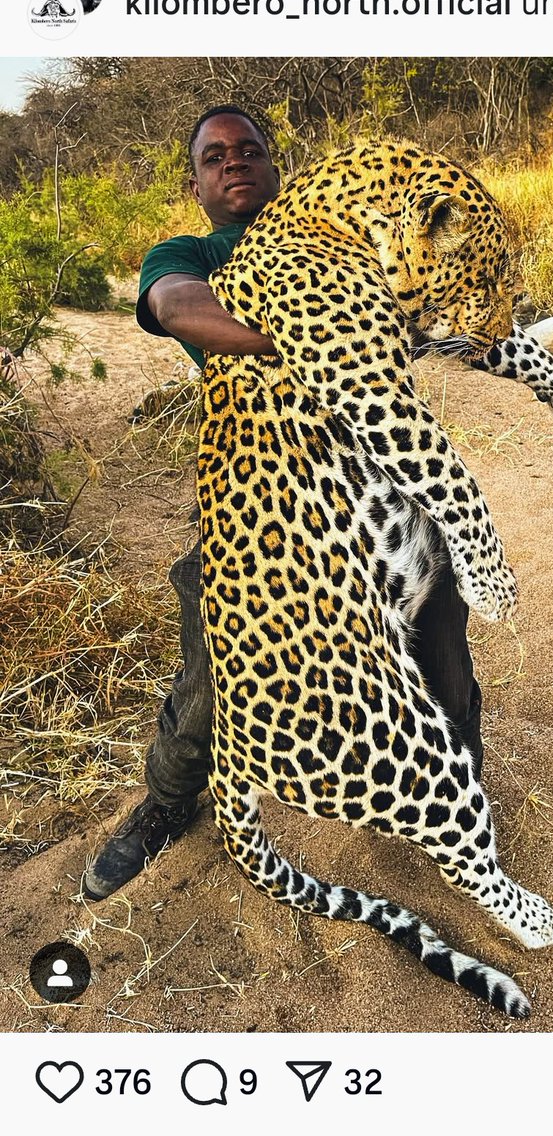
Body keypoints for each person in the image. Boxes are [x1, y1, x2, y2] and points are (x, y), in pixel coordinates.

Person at [84, 106, 482, 899]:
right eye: (214, 156)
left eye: (249, 151)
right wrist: (324, 332)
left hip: (384, 488)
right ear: (195, 181)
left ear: (276, 166)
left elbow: (435, 307)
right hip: (266, 507)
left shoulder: (343, 237)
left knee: (441, 651)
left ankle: (458, 798)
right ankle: (167, 804)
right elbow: (177, 308)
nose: (234, 163)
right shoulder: (189, 253)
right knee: (212, 671)